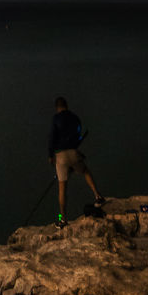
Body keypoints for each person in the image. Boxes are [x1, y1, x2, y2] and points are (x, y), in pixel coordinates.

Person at [48, 96, 105, 225]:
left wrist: (50, 155)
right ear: (66, 106)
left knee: (62, 188)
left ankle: (62, 218)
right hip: (74, 152)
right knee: (85, 172)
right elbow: (78, 133)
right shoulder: (74, 117)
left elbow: (52, 137)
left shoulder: (56, 118)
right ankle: (98, 196)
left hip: (60, 155)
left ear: (57, 108)